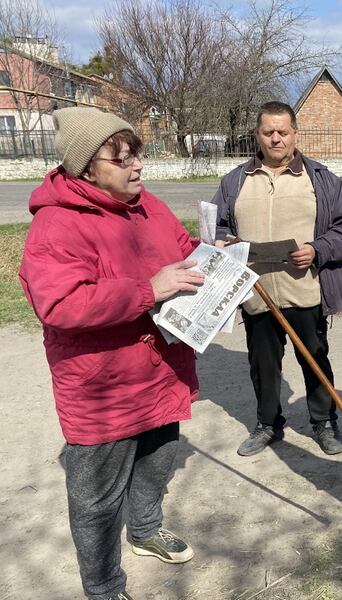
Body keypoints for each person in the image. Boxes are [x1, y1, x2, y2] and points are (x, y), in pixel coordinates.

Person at [19, 107, 205, 600]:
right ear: (86, 167)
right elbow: (58, 304)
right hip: (103, 388)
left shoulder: (149, 206)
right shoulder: (57, 225)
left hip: (161, 370)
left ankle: (144, 530)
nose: (137, 166)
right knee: (97, 500)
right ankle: (103, 586)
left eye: (137, 153)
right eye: (122, 158)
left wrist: (212, 253)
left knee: (158, 462)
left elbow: (181, 248)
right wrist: (148, 289)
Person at [211, 101, 342, 457]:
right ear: (258, 134)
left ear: (295, 134)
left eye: (283, 132)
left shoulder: (320, 179)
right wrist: (223, 242)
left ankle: (324, 423)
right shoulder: (235, 181)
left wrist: (318, 249)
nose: (276, 139)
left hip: (306, 291)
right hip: (257, 294)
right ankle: (268, 424)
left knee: (314, 359)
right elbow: (217, 226)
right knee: (263, 365)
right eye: (268, 132)